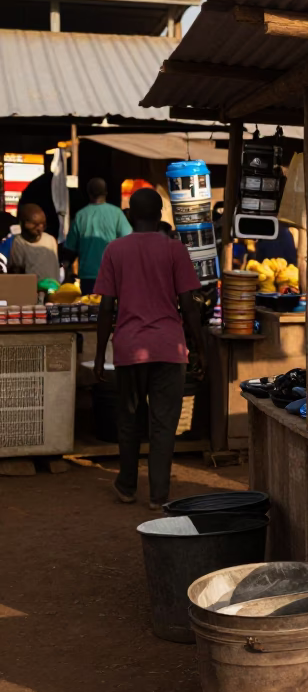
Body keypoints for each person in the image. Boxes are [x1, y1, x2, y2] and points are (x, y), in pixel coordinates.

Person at [93, 189, 204, 509]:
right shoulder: (175, 250)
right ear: (160, 216)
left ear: (129, 215)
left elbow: (105, 308)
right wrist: (201, 350)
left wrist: (101, 355)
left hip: (129, 348)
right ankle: (159, 495)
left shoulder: (115, 250)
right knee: (163, 423)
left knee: (128, 419)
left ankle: (127, 485)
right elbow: (189, 307)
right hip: (169, 348)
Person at [63, 178, 131, 294]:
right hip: (112, 273)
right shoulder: (116, 213)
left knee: (90, 309)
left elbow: (70, 248)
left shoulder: (80, 215)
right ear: (106, 193)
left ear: (88, 193)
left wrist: (67, 271)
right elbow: (128, 240)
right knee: (112, 310)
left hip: (87, 275)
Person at [7, 204, 61, 281]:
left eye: (43, 225)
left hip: (52, 287)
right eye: (36, 225)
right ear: (23, 223)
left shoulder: (50, 240)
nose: (40, 229)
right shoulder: (19, 242)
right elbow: (17, 270)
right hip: (30, 289)